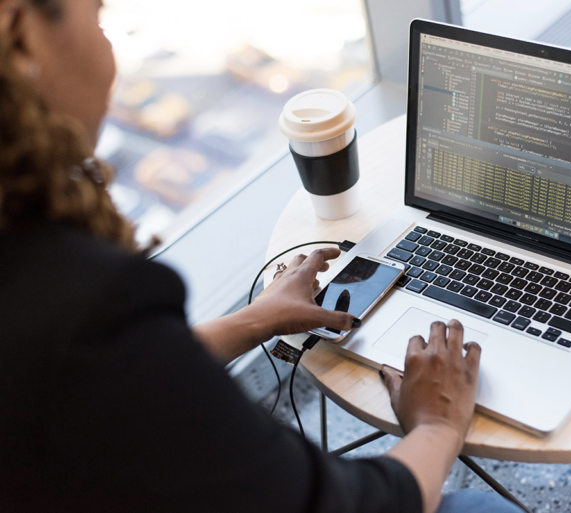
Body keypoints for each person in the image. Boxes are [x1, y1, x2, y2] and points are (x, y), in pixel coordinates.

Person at [0, 1, 524, 512]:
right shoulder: (88, 301)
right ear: (22, 37)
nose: (107, 44)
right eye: (98, 14)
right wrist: (437, 424)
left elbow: (104, 381)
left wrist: (255, 320)